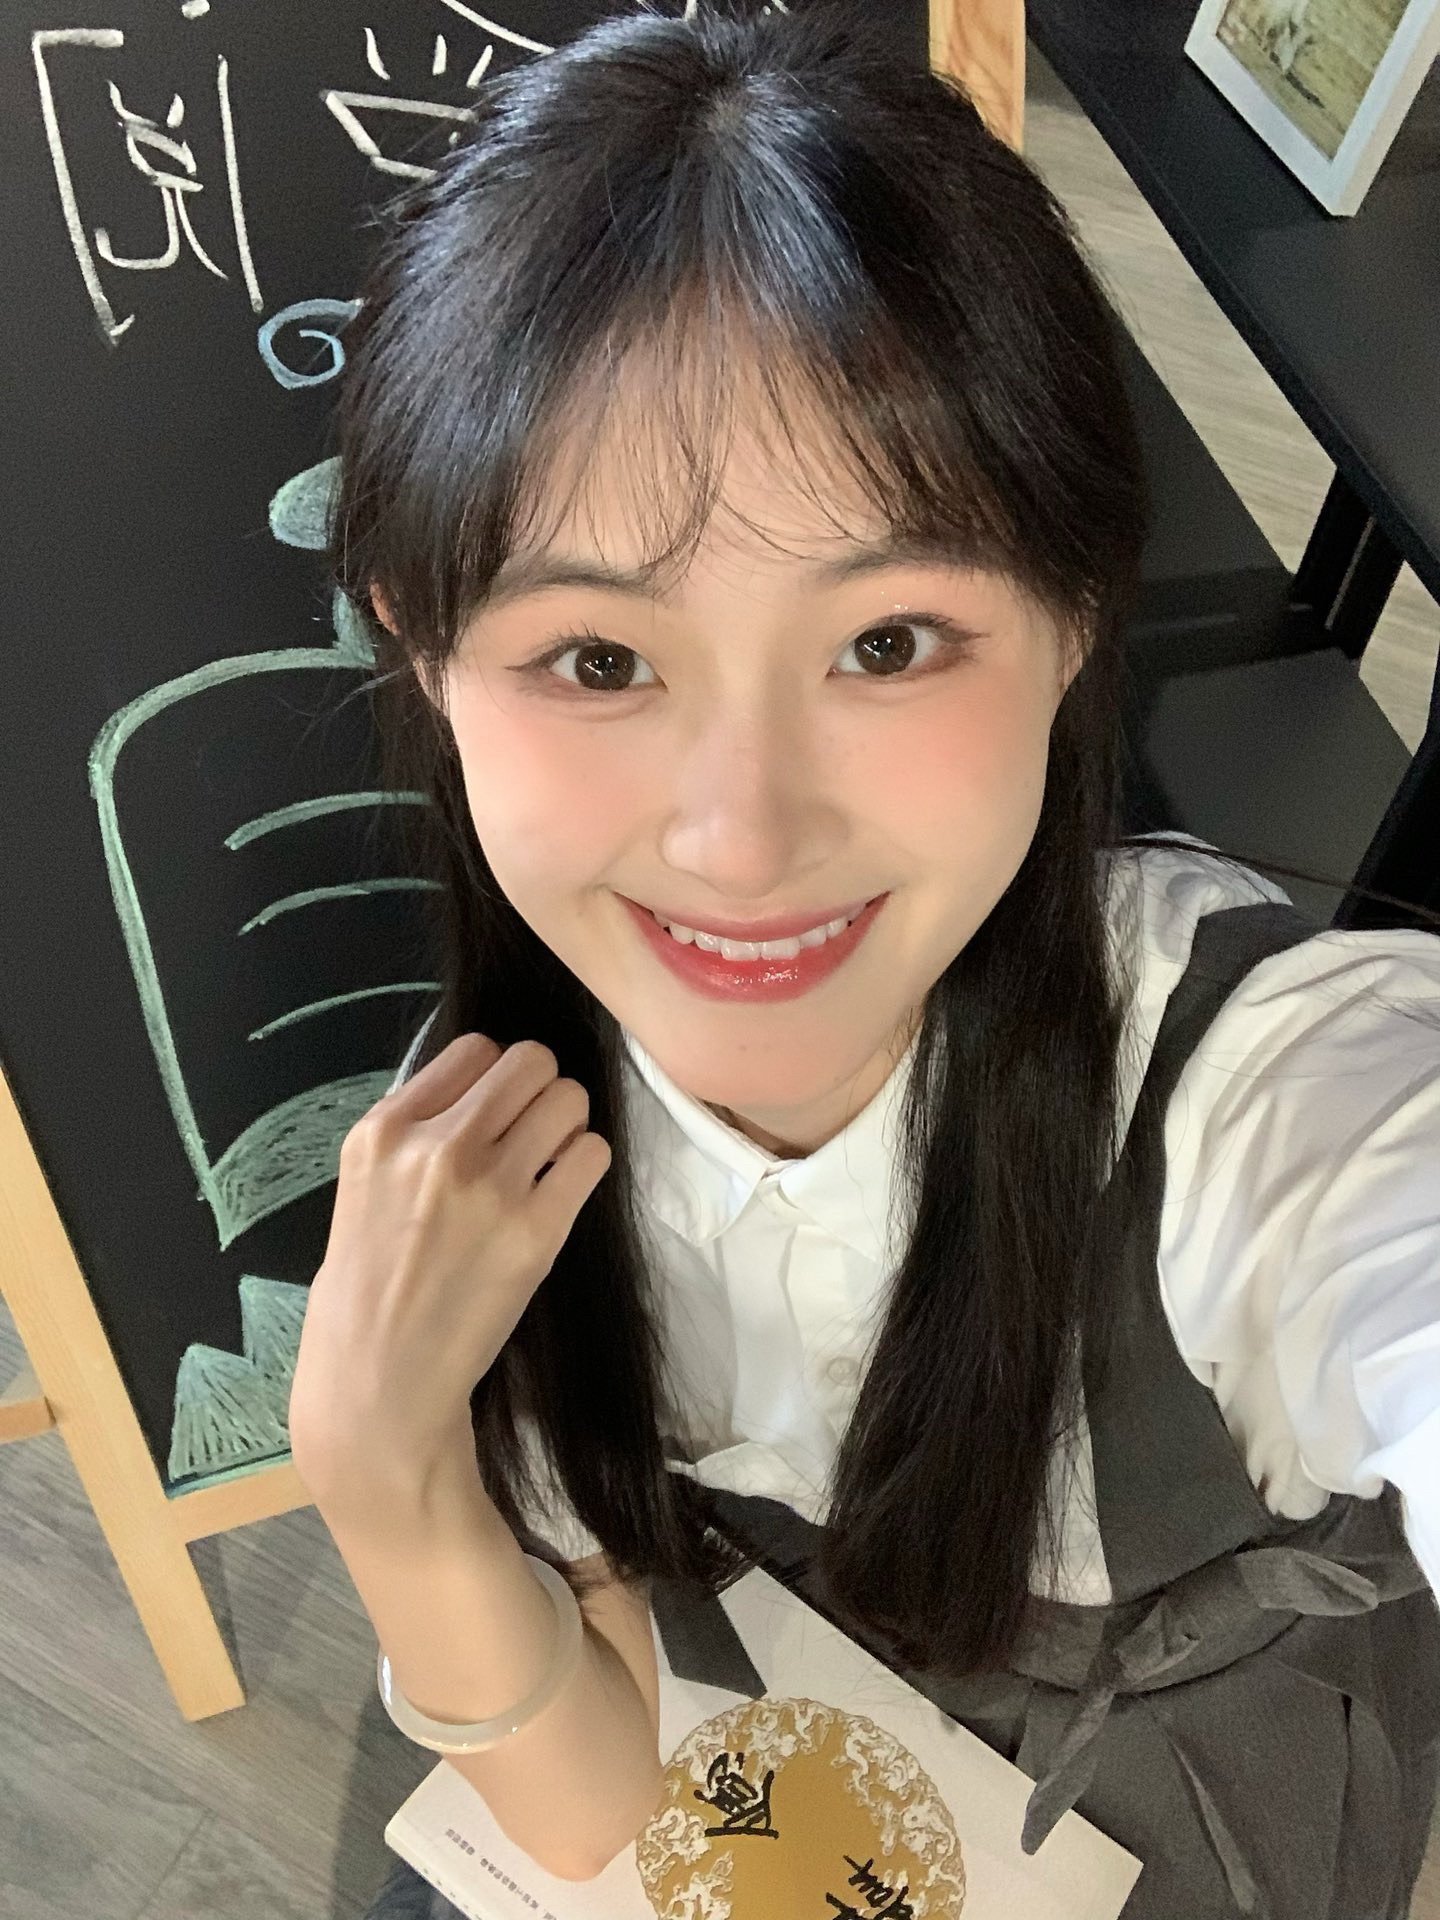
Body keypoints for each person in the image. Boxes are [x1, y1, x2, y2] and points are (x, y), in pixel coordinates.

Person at [285, 6, 1440, 1915]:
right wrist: (382, 1472)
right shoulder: (487, 1162)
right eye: (599, 660)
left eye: (887, 643)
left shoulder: (1254, 1097)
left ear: (1076, 618)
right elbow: (598, 1814)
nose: (742, 841)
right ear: (425, 650)